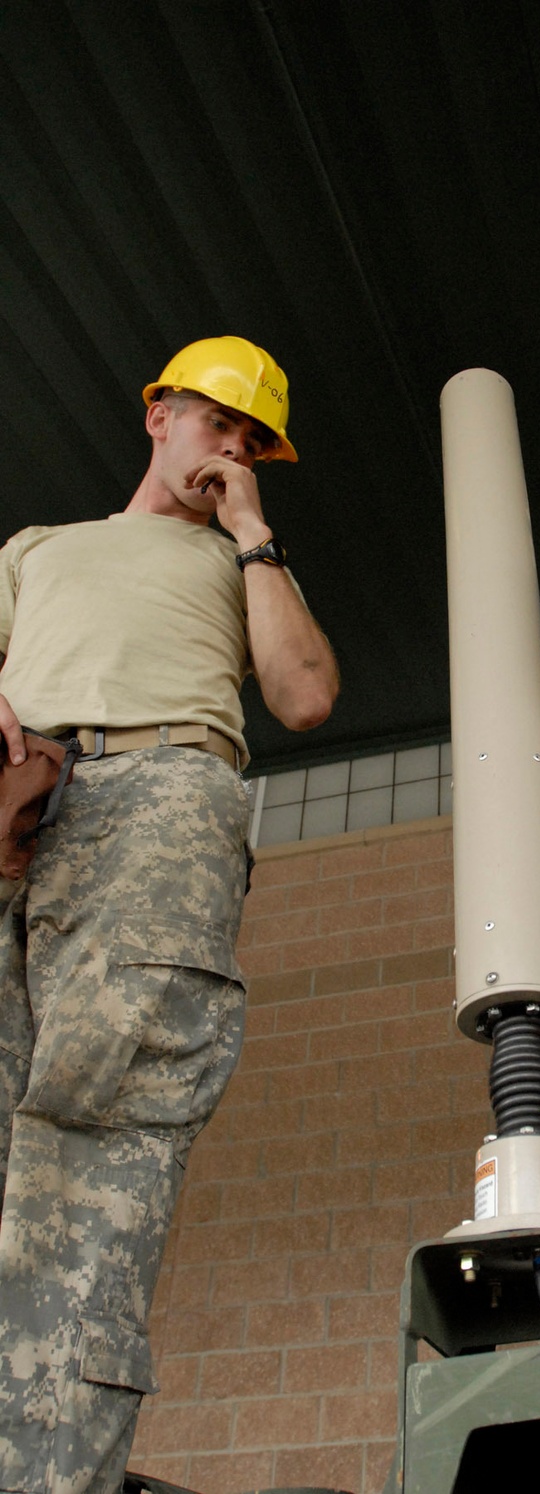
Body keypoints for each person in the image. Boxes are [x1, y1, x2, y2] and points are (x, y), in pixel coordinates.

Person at [0, 336, 338, 1493]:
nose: (230, 449)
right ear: (158, 414)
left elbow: (302, 696)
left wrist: (253, 532)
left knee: (97, 1133)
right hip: (18, 802)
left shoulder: (245, 563)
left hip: (161, 792)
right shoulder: (37, 550)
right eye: (217, 423)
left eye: (253, 442)